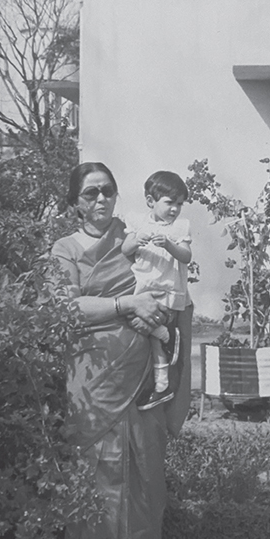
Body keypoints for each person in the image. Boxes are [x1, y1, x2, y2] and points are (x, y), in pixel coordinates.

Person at [51, 162, 192, 539]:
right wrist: (124, 306)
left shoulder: (134, 236)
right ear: (75, 202)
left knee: (145, 482)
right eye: (90, 193)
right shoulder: (66, 249)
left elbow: (173, 286)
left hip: (144, 383)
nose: (100, 199)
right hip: (93, 385)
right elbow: (64, 307)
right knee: (98, 483)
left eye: (107, 191)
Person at [122, 171, 192, 411]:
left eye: (179, 204)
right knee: (135, 322)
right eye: (169, 203)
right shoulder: (139, 223)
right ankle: (164, 335)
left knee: (152, 339)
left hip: (166, 290)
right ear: (151, 201)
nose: (175, 209)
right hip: (142, 289)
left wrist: (170, 245)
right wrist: (137, 239)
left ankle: (161, 385)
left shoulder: (180, 227)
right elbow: (125, 249)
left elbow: (186, 256)